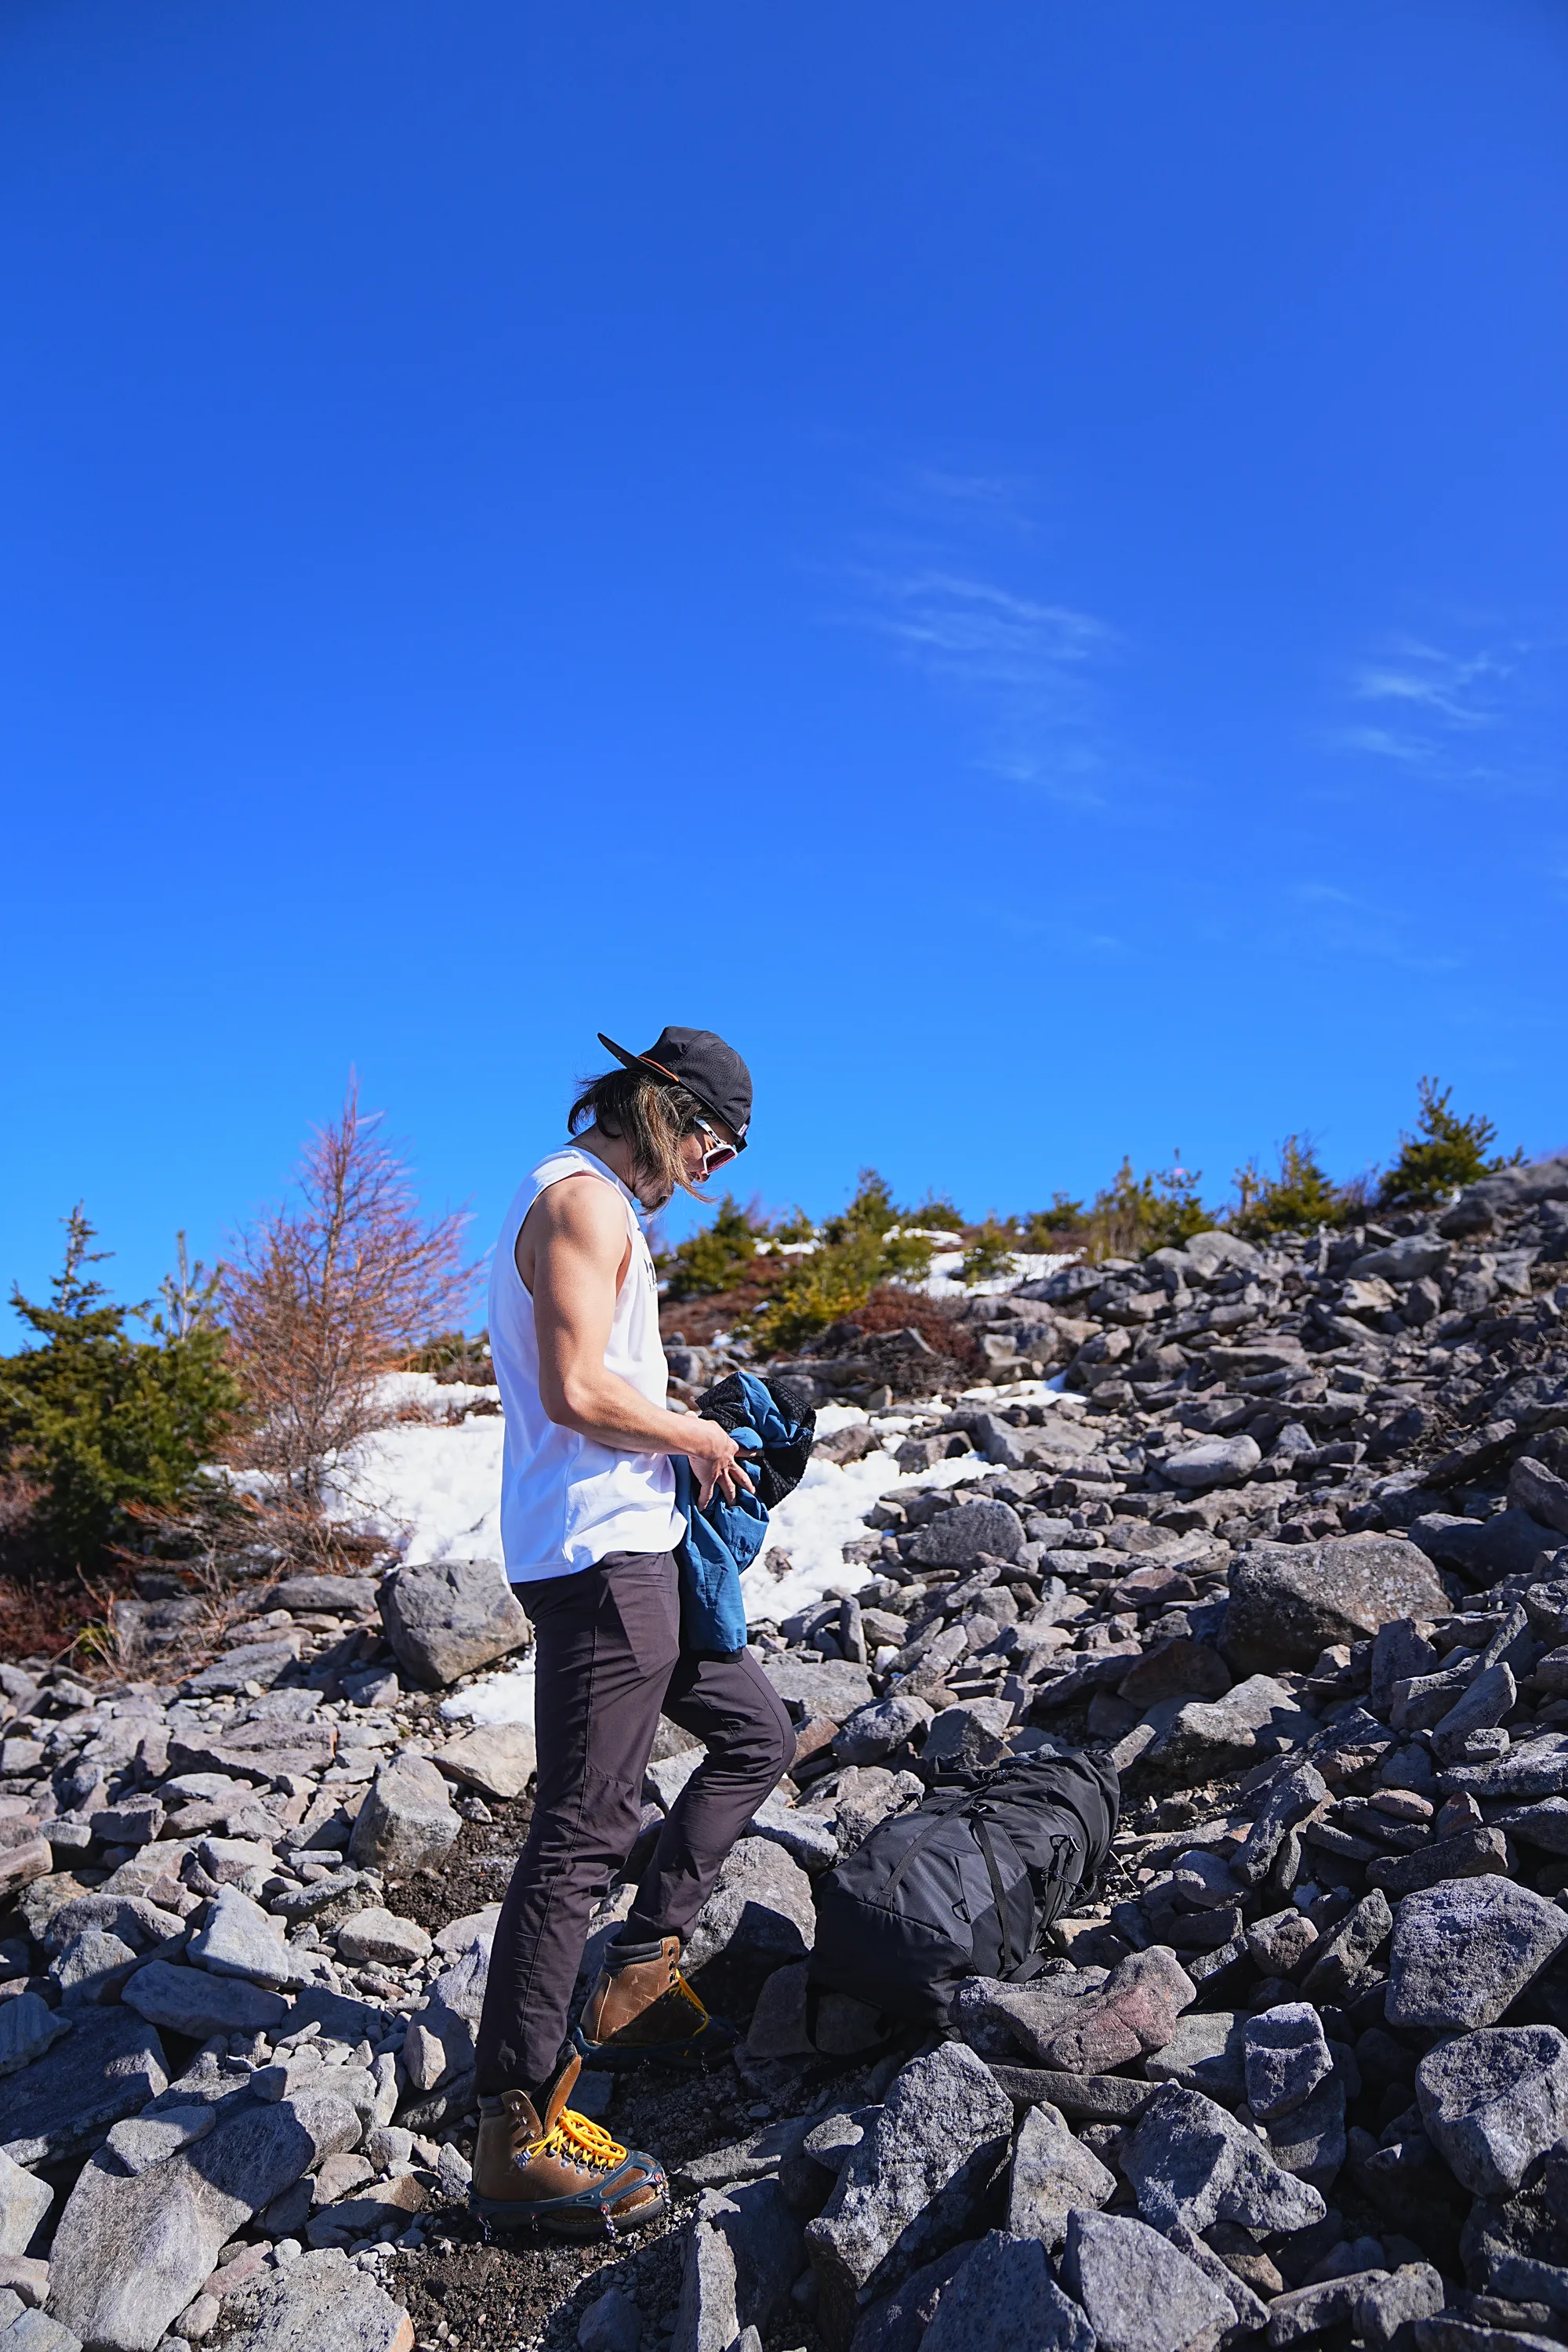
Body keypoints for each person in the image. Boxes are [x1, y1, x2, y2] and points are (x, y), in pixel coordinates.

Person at [470, 1027, 797, 2238]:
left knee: (756, 1733)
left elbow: (602, 1384)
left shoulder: (601, 1208)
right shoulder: (581, 1202)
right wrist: (694, 1433)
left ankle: (639, 1975)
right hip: (598, 1555)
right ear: (668, 1108)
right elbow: (576, 1392)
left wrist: (690, 1434)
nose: (717, 1166)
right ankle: (514, 2130)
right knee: (586, 1822)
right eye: (719, 1140)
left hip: (638, 1549)